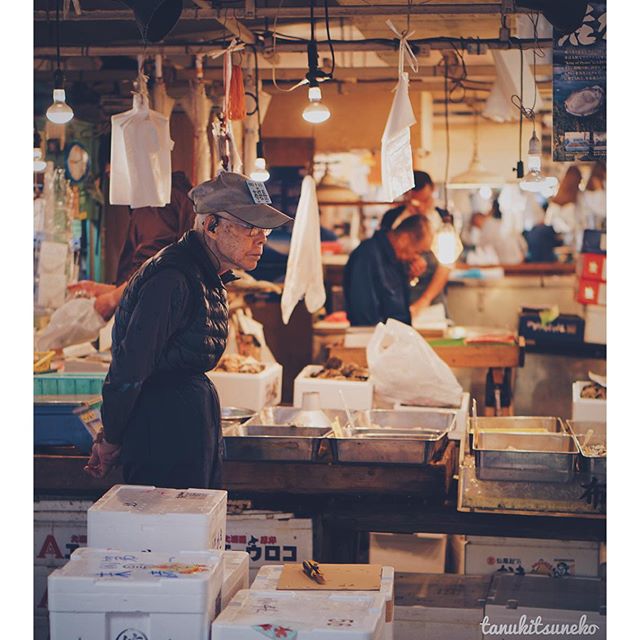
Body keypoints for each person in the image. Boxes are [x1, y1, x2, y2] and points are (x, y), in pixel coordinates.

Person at [84, 172, 292, 488]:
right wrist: (110, 438)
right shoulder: (171, 278)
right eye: (250, 228)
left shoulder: (208, 274)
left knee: (196, 527)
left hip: (186, 426)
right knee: (166, 531)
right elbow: (129, 368)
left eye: (263, 230)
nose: (261, 239)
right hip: (163, 431)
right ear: (211, 226)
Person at [68, 171, 195, 320]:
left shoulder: (155, 201)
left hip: (162, 326)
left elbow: (151, 271)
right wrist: (101, 290)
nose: (110, 178)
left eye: (111, 171)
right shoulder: (165, 195)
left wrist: (112, 300)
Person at [379, 170, 452, 316]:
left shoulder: (444, 220)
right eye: (414, 201)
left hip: (432, 299)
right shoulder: (391, 218)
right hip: (397, 295)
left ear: (433, 190)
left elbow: (447, 266)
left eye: (425, 200)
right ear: (406, 196)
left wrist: (425, 300)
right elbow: (382, 258)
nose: (420, 207)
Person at [344, 214, 433, 326]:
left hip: (395, 336)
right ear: (404, 239)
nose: (417, 258)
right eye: (418, 252)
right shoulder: (366, 256)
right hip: (373, 338)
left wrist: (411, 277)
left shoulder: (397, 259)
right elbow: (364, 314)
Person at [544, 165, 585, 251]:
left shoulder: (556, 201)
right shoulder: (578, 200)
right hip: (569, 245)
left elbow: (548, 222)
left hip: (564, 245)